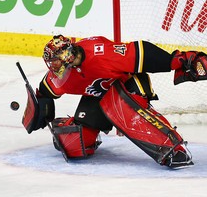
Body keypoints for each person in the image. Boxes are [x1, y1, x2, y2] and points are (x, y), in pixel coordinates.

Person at [22, 34, 207, 168]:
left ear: (66, 55)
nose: (53, 66)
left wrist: (178, 60)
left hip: (128, 86)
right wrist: (40, 109)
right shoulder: (63, 77)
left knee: (119, 107)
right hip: (100, 96)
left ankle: (172, 148)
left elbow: (142, 53)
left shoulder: (102, 55)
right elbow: (45, 91)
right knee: (73, 145)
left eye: (55, 61)